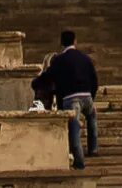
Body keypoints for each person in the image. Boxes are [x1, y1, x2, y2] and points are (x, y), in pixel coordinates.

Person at [40, 30, 100, 169]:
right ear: (75, 41)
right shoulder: (85, 58)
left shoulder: (59, 60)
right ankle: (93, 148)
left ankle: (79, 161)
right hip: (87, 95)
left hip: (71, 98)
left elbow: (48, 76)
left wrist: (35, 82)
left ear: (61, 43)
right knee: (92, 117)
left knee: (74, 130)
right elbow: (94, 80)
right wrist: (91, 96)